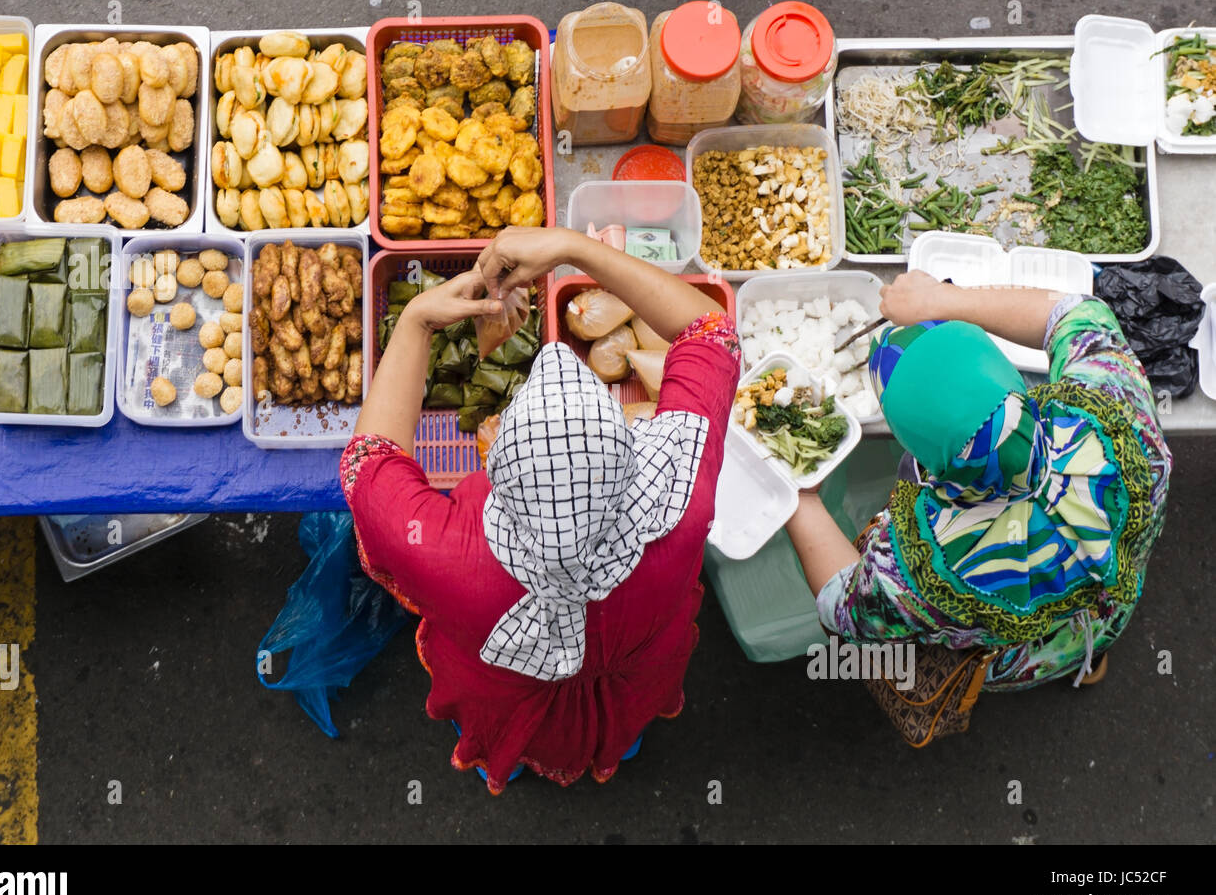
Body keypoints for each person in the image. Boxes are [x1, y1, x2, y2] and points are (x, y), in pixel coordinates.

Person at [340, 227, 740, 793]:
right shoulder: (683, 498)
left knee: (515, 729)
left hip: (507, 692)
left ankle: (517, 758)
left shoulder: (442, 551)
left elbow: (367, 464)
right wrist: (573, 248)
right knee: (619, 718)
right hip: (636, 668)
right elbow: (711, 329)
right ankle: (617, 743)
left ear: (496, 468)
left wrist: (417, 323)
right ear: (630, 451)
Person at [785, 271, 1172, 690]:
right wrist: (944, 300)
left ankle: (1070, 664)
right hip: (1110, 601)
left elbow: (841, 609)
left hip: (1017, 655)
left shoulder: (926, 571)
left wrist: (801, 495)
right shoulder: (1119, 415)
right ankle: (1091, 662)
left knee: (1021, 655)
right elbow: (1076, 311)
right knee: (1093, 628)